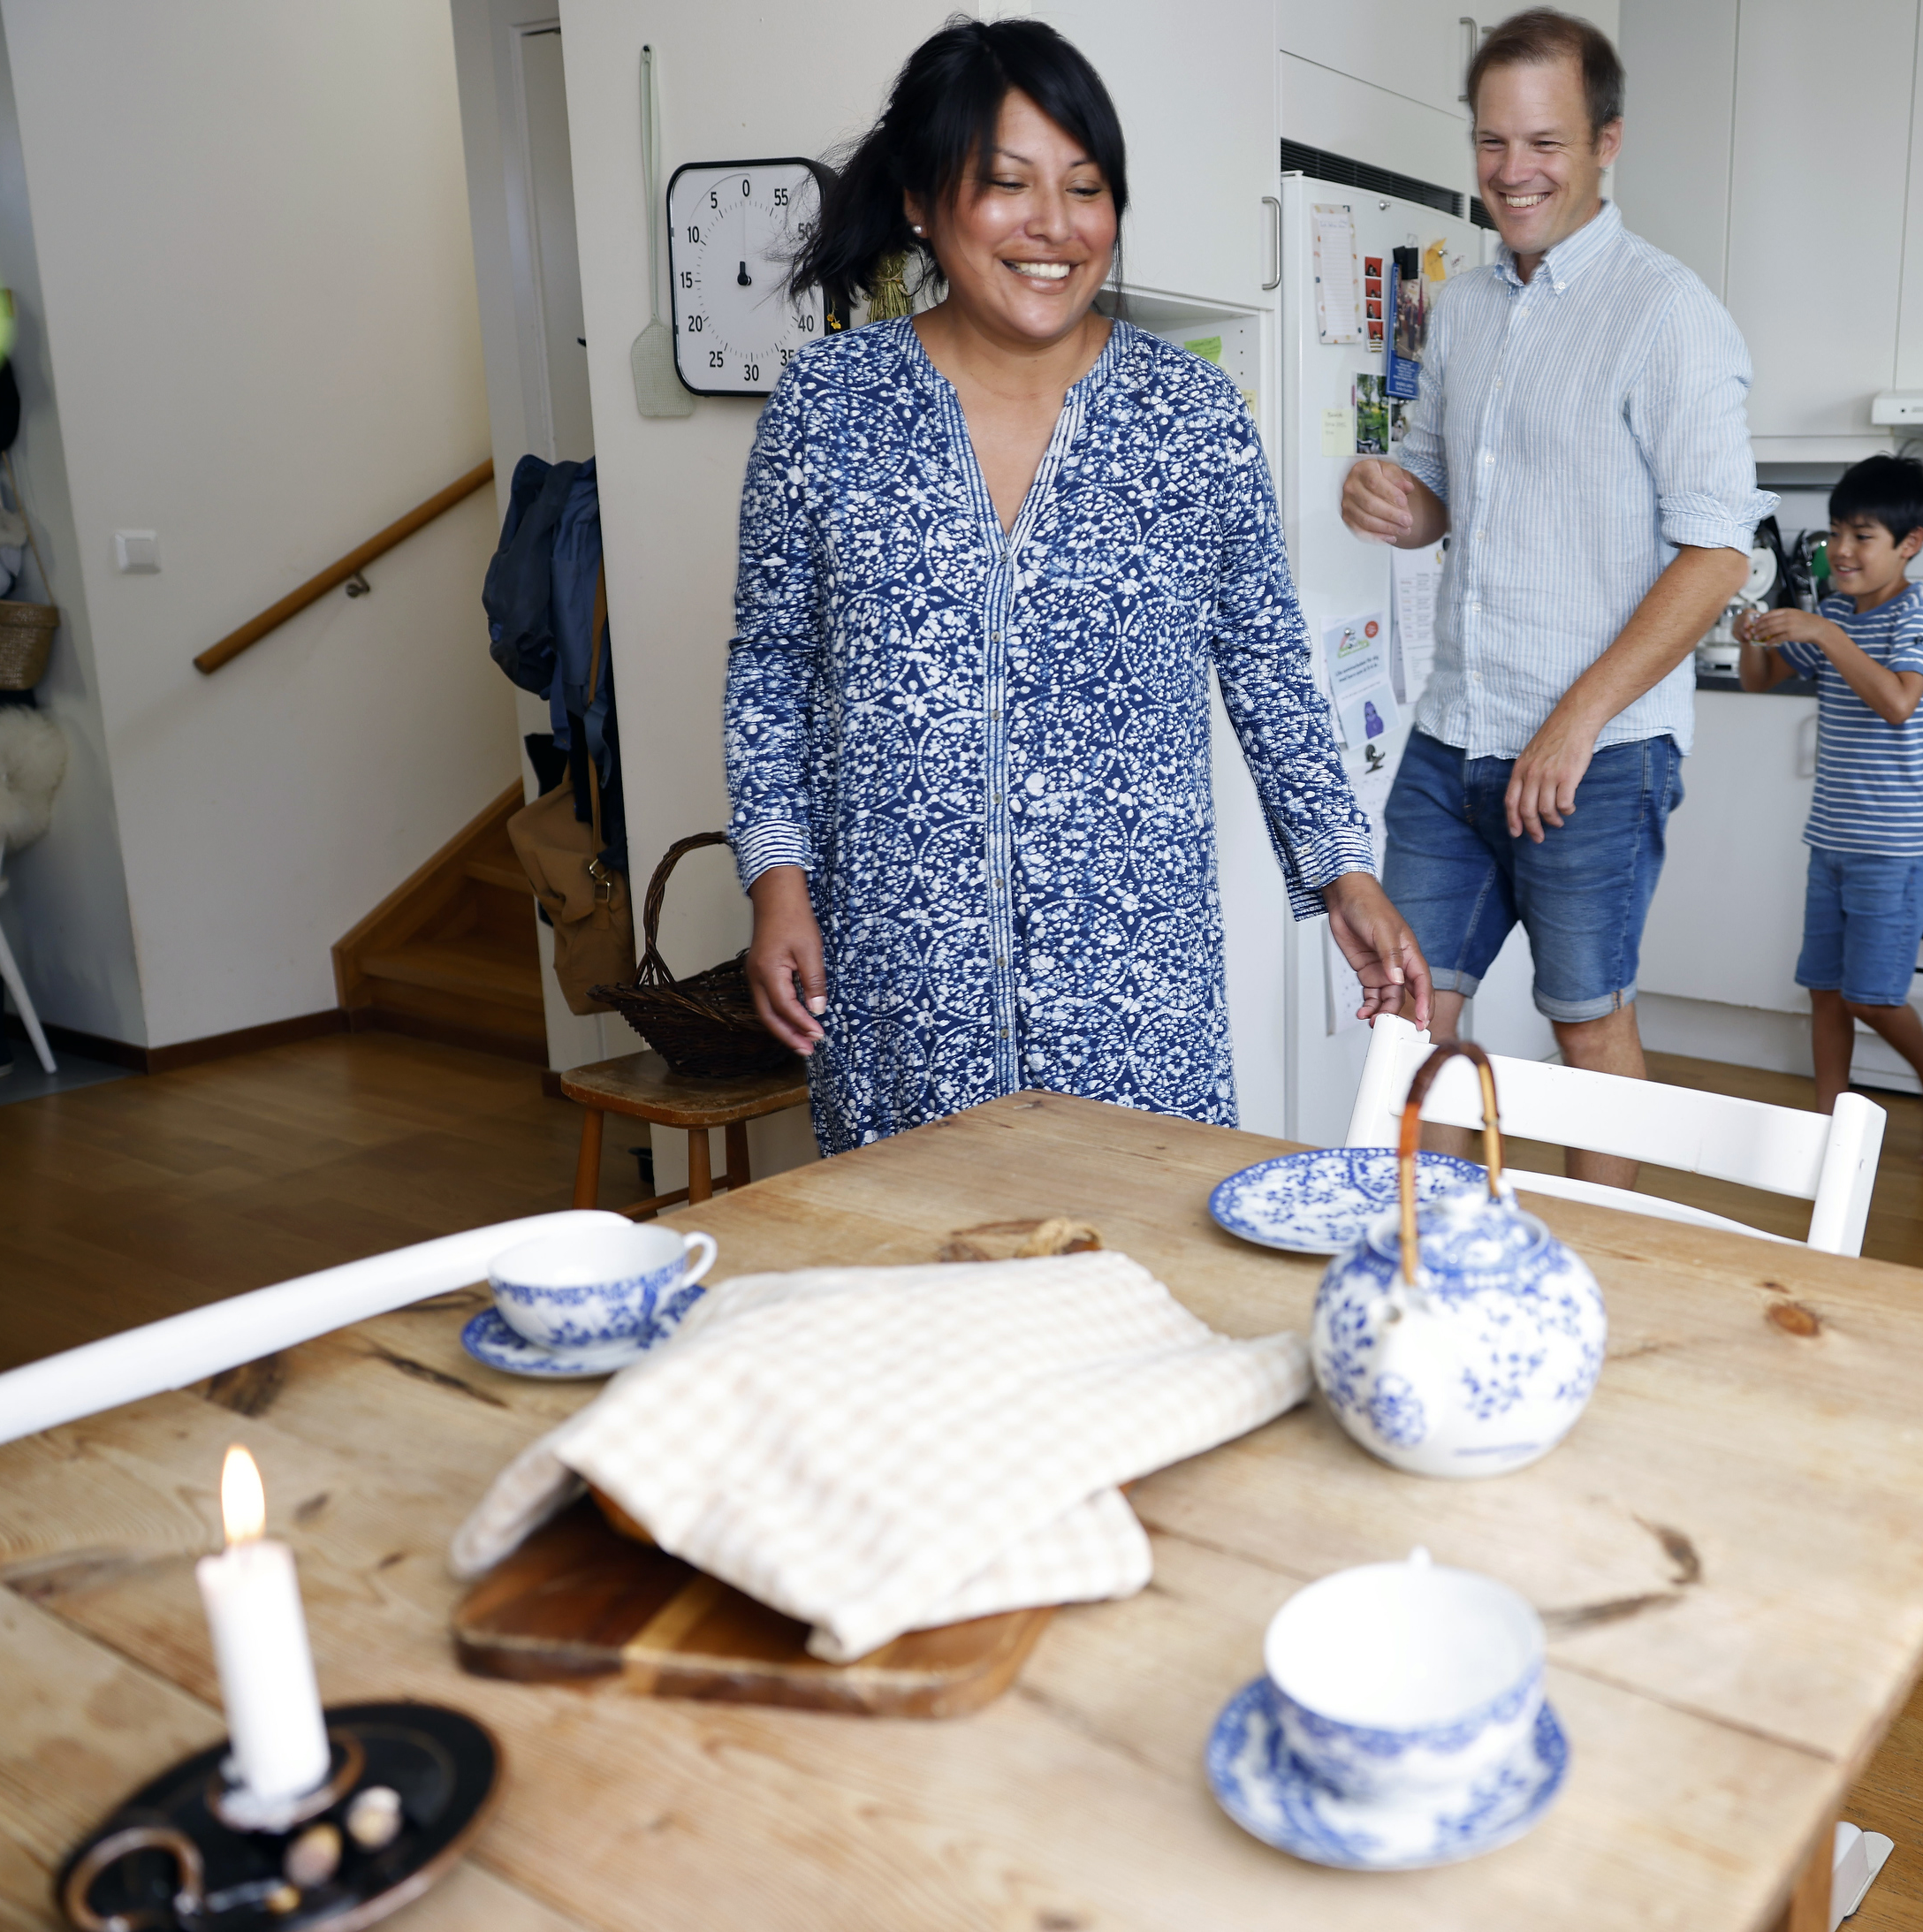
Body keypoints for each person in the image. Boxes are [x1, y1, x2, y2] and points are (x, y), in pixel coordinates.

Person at [730, 19, 1427, 1152]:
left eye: (1087, 187)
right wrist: (776, 875)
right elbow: (770, 665)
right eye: (1007, 184)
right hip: (906, 977)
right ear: (920, 198)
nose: (1054, 226)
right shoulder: (829, 407)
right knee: (921, 1288)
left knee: (1131, 1284)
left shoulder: (1190, 420)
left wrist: (1342, 868)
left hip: (1136, 989)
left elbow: (1265, 663)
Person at [1340, 7, 1772, 1189]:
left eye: (1544, 142)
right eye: (1492, 142)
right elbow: (1440, 490)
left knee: (1585, 1026)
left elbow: (1717, 554)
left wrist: (1575, 720)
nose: (1512, 171)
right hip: (1453, 734)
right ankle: (1418, 1266)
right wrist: (1396, 499)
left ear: (1606, 143)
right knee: (1405, 1016)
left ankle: (1596, 1278)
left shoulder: (1668, 315)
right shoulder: (1466, 309)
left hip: (1600, 752)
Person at [1734, 454, 1923, 1160]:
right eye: (1837, 533)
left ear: (1909, 544)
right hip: (1831, 836)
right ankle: (1825, 1133)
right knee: (1826, 993)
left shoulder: (1918, 613)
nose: (1840, 550)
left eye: (1862, 536)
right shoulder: (1833, 610)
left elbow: (1898, 702)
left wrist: (1825, 632)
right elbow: (1759, 681)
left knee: (1871, 997)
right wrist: (1752, 635)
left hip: (1896, 846)